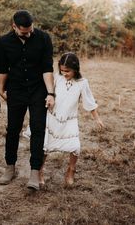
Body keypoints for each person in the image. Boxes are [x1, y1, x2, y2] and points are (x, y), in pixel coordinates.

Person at [0, 10, 55, 190]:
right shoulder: (2, 43)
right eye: (24, 31)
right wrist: (1, 89)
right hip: (16, 90)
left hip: (38, 90)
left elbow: (47, 67)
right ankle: (10, 167)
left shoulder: (44, 39)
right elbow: (2, 69)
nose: (28, 34)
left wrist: (51, 93)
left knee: (38, 129)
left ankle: (35, 172)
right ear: (14, 26)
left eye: (30, 30)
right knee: (13, 128)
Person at [42, 52, 104, 186]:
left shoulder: (82, 83)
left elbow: (89, 102)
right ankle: (40, 171)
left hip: (70, 120)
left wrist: (97, 119)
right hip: (53, 117)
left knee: (75, 147)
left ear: (75, 69)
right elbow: (49, 91)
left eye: (67, 71)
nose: (64, 73)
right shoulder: (57, 77)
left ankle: (71, 170)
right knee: (45, 146)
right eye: (62, 70)